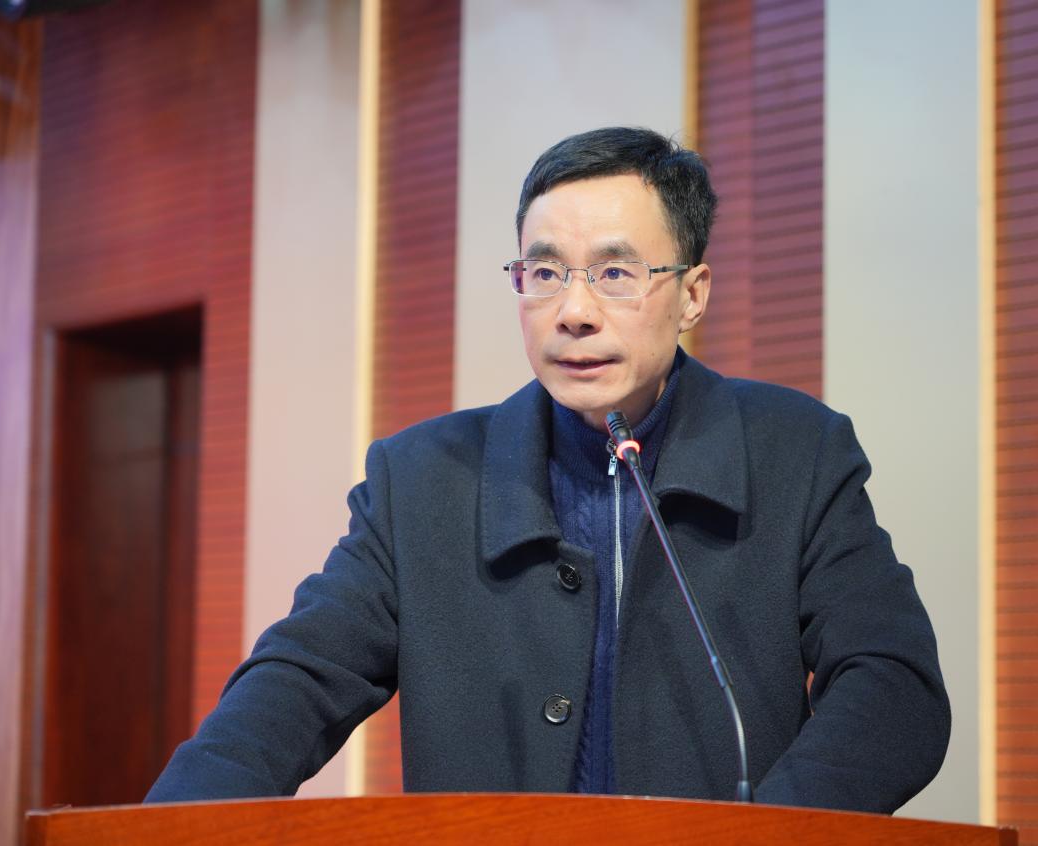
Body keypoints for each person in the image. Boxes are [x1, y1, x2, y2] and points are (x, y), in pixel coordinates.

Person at [146, 127, 949, 812]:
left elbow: (891, 687)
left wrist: (766, 837)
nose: (573, 310)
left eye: (614, 272)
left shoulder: (794, 453)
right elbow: (296, 682)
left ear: (692, 294)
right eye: (544, 273)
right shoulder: (421, 480)